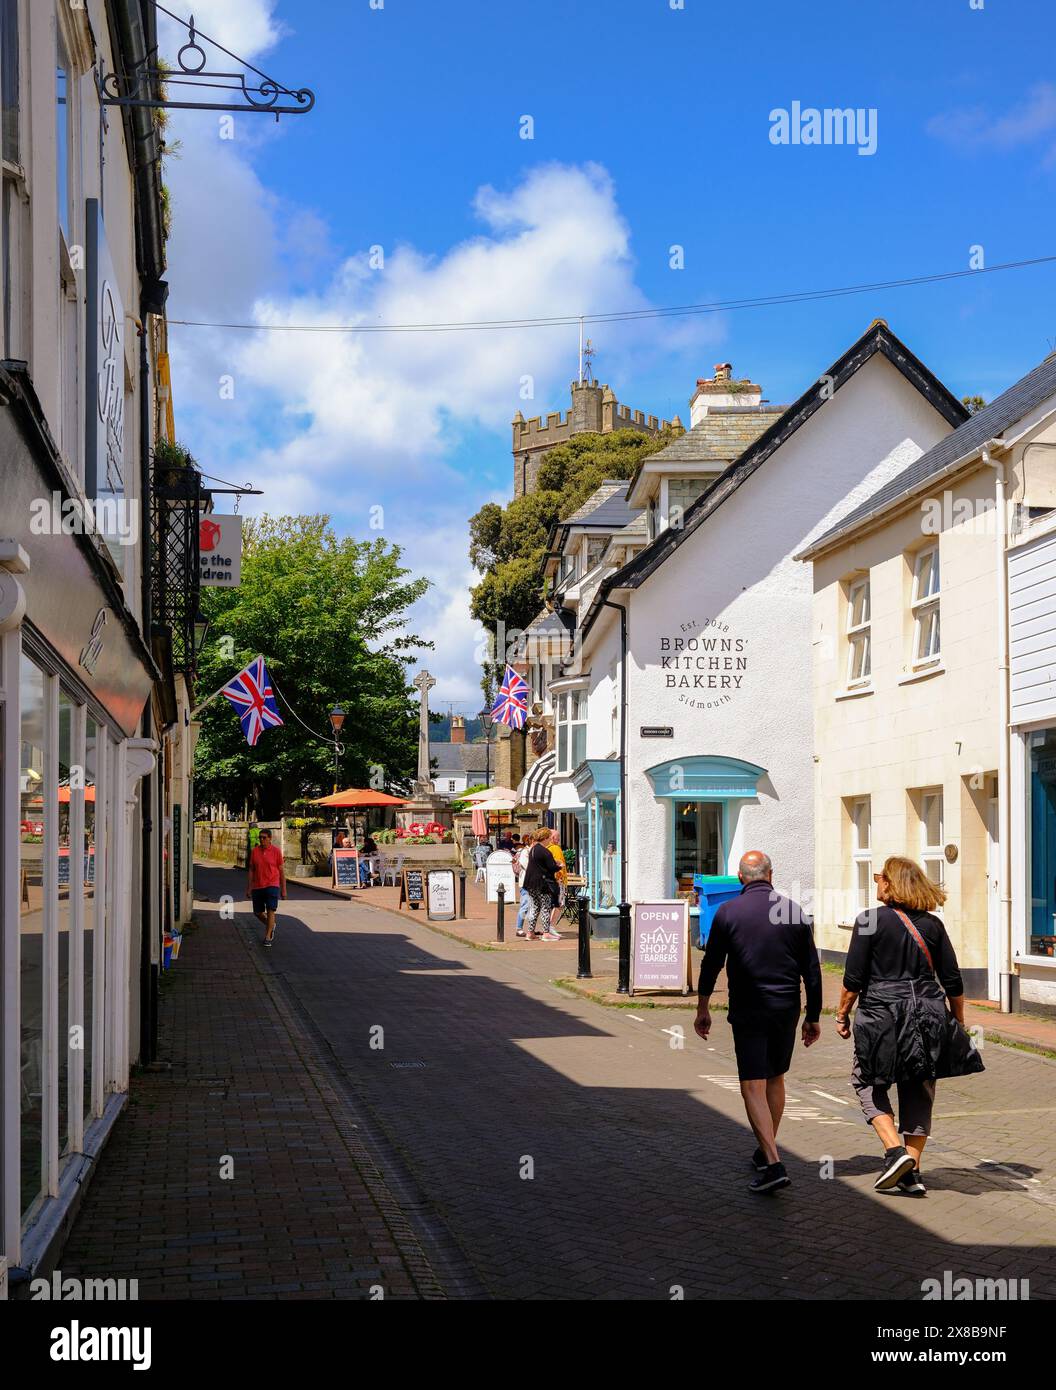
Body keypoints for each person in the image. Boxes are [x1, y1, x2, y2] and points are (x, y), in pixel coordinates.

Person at [835, 855, 975, 1196]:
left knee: (867, 1080)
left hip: (882, 1013)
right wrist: (956, 1021)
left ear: (892, 883)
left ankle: (896, 1153)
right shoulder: (933, 925)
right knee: (919, 1089)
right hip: (928, 1014)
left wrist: (841, 1014)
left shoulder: (868, 921)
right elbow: (953, 981)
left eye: (880, 876)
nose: (876, 882)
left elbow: (853, 979)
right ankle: (912, 1172)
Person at [694, 851, 822, 1194]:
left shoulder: (727, 912)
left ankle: (773, 1162)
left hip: (749, 1007)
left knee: (752, 1083)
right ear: (771, 875)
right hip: (786, 1007)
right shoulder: (794, 911)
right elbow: (812, 970)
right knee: (775, 1078)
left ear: (739, 878)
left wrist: (702, 1007)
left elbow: (711, 965)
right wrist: (812, 1016)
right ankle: (766, 1150)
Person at [247, 828, 286, 946]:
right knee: (258, 912)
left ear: (270, 839)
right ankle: (271, 924)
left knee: (270, 910)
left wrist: (283, 889)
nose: (262, 840)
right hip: (258, 885)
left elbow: (281, 871)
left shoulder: (276, 851)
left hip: (272, 884)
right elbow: (251, 870)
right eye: (260, 838)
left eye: (264, 838)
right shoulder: (255, 851)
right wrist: (249, 887)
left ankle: (268, 937)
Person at [522, 826, 561, 940]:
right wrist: (559, 866)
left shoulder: (533, 849)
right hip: (542, 884)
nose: (550, 839)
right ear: (545, 838)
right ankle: (546, 933)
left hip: (530, 883)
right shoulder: (545, 851)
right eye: (549, 837)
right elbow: (551, 867)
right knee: (545, 907)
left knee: (535, 907)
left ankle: (530, 933)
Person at [514, 836, 532, 938]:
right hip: (525, 883)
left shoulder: (530, 851)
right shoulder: (525, 852)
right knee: (525, 906)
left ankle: (530, 929)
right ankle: (519, 928)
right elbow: (528, 867)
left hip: (531, 883)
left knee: (531, 907)